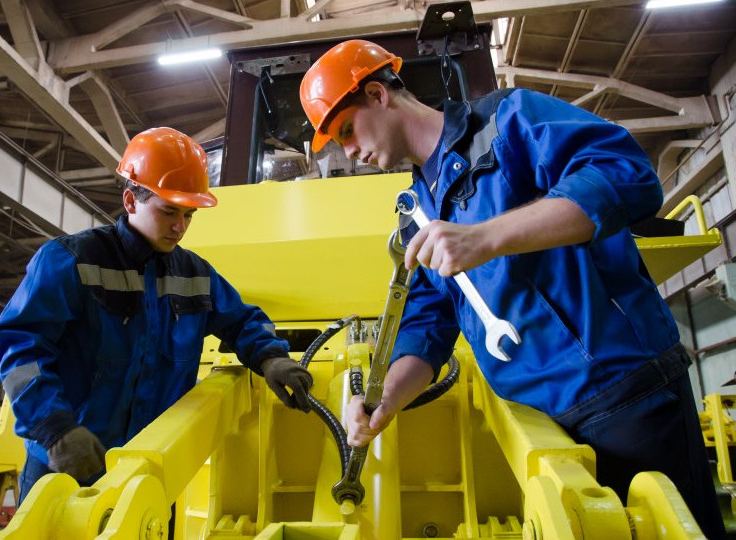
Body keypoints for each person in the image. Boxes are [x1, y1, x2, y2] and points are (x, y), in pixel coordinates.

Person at [300, 40, 725, 538]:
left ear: (377, 94)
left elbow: (628, 176)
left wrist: (486, 237)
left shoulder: (508, 121)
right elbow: (426, 325)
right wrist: (384, 399)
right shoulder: (417, 211)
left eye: (345, 130)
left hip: (625, 397)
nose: (348, 152)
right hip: (537, 426)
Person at [0, 127, 313, 508]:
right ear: (131, 200)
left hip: (152, 465)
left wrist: (270, 357)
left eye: (189, 215)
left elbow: (242, 320)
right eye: (169, 211)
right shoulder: (70, 261)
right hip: (70, 461)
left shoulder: (195, 275)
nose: (180, 227)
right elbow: (20, 348)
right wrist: (56, 429)